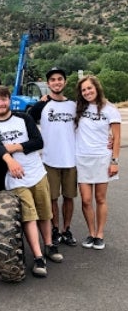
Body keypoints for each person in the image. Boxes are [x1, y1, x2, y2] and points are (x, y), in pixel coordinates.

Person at [0, 85, 63, 278]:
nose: (0, 103)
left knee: (45, 213)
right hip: (15, 178)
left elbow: (38, 142)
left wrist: (14, 147)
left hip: (37, 172)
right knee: (29, 216)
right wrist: (10, 160)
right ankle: (37, 257)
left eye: (3, 99)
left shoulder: (23, 118)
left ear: (9, 100)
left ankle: (49, 246)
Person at [29, 67, 79, 247]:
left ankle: (67, 229)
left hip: (70, 159)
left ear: (64, 82)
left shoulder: (73, 105)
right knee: (52, 199)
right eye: (53, 80)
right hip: (49, 160)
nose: (57, 82)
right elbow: (27, 124)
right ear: (48, 83)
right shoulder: (41, 105)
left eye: (60, 79)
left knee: (69, 197)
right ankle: (55, 229)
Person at [73, 75, 120, 250]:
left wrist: (114, 161)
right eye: (83, 90)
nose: (87, 92)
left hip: (102, 158)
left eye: (89, 88)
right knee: (86, 200)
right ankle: (91, 233)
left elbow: (115, 138)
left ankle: (100, 234)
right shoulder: (78, 108)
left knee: (100, 198)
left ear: (97, 88)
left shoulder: (110, 109)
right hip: (82, 159)